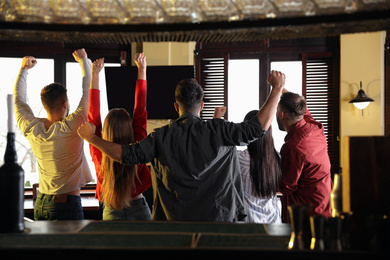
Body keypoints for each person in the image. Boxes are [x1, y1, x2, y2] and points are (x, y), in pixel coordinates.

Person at [77, 71, 286, 222]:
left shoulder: (160, 136)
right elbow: (257, 128)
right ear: (201, 106)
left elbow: (125, 154)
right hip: (218, 222)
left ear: (175, 107)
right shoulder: (219, 130)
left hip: (174, 225)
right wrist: (276, 89)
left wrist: (92, 138)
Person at [14, 49, 93, 220]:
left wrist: (24, 70)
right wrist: (83, 60)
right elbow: (89, 93)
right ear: (65, 103)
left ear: (44, 105)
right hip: (66, 205)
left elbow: (19, 101)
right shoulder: (73, 127)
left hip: (41, 203)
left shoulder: (32, 129)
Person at [88, 53, 152, 220]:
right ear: (129, 128)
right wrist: (142, 70)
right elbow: (141, 110)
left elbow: (93, 117)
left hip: (111, 210)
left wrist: (94, 75)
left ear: (106, 130)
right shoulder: (137, 144)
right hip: (139, 209)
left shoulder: (98, 147)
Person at [214, 108, 282, 223]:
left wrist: (216, 118)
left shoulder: (239, 159)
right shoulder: (278, 158)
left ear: (247, 131)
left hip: (249, 224)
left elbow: (215, 147)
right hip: (274, 222)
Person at [276, 90, 332, 223]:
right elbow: (302, 109)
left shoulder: (293, 147)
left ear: (281, 114)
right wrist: (280, 88)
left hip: (306, 216)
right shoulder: (316, 128)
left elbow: (286, 186)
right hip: (324, 207)